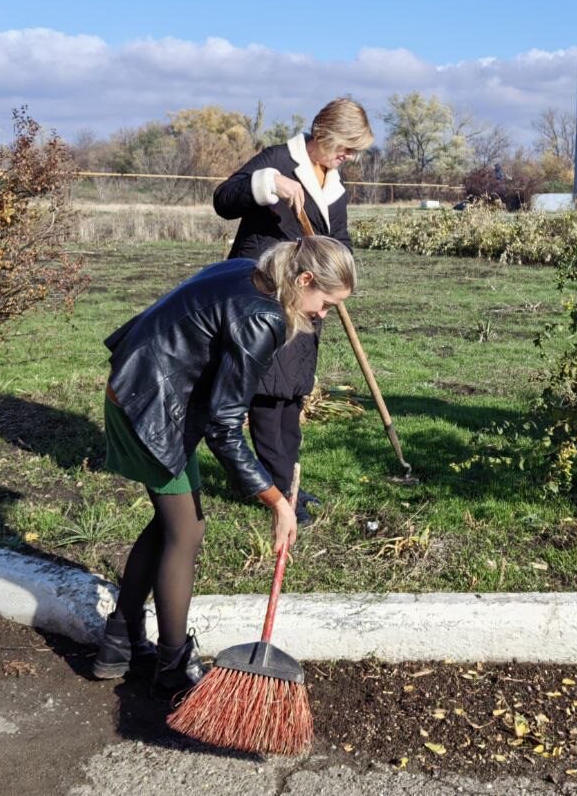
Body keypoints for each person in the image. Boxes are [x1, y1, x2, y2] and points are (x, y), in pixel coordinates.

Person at [92, 235, 356, 693]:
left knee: (171, 525)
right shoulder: (263, 317)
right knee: (187, 532)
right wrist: (277, 502)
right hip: (148, 410)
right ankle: (173, 665)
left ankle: (118, 641)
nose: (323, 314)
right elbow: (225, 428)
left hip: (136, 389)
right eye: (326, 302)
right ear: (305, 279)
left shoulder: (250, 272)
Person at [212, 98, 375, 524]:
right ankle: (279, 491)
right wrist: (270, 184)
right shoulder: (279, 160)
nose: (348, 157)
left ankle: (288, 482)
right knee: (269, 395)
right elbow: (223, 199)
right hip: (267, 297)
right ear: (324, 134)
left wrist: (337, 282)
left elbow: (338, 239)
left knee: (291, 395)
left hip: (309, 298)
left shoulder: (333, 184)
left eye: (354, 150)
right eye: (346, 147)